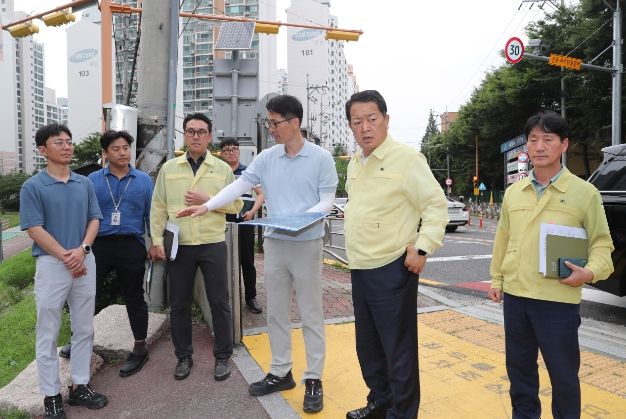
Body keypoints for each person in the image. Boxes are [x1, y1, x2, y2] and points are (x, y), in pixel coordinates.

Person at [176, 95, 338, 413]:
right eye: (268, 122)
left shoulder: (321, 158)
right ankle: (280, 371)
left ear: (294, 122)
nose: (271, 128)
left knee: (310, 313)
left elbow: (327, 200)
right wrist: (207, 205)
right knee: (275, 312)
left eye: (274, 122)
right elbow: (238, 188)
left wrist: (300, 219)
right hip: (275, 243)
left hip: (306, 242)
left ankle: (313, 378)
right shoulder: (267, 158)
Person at [488, 111, 614, 419]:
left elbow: (602, 243)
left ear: (564, 144)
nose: (539, 146)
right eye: (533, 140)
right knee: (520, 375)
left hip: (558, 301)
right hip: (516, 298)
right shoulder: (514, 192)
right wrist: (497, 280)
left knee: (564, 377)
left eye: (548, 139)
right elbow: (503, 238)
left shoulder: (585, 193)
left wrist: (590, 272)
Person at [343, 90, 448, 419]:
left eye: (372, 119)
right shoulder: (355, 163)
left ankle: (402, 413)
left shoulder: (407, 159)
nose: (365, 128)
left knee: (398, 351)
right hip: (360, 267)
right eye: (357, 122)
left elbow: (435, 206)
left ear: (386, 120)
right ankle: (380, 403)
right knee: (369, 347)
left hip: (392, 269)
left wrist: (422, 247)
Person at [20, 123, 107, 419]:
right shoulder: (33, 186)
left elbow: (94, 219)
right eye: (59, 142)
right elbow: (34, 228)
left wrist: (82, 250)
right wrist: (66, 256)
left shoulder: (85, 183)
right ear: (42, 150)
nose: (67, 146)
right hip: (52, 264)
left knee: (84, 326)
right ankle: (51, 396)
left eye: (69, 141)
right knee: (48, 330)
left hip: (84, 258)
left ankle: (80, 385)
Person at [150, 113, 242, 382]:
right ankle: (183, 356)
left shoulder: (222, 169)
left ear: (209, 136)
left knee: (219, 301)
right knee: (179, 303)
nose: (196, 136)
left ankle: (222, 356)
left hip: (212, 242)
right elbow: (158, 207)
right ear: (184, 135)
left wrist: (209, 200)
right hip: (180, 245)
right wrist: (157, 241)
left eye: (201, 132)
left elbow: (236, 205)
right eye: (191, 131)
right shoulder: (169, 168)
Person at [86, 130, 155, 377]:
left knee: (134, 296)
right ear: (106, 153)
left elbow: (151, 215)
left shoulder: (144, 181)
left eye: (126, 148)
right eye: (116, 149)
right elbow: (85, 215)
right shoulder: (92, 180)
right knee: (87, 295)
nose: (123, 153)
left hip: (131, 244)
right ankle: (79, 341)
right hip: (99, 245)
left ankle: (140, 348)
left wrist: (154, 243)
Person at [219, 138, 265, 314]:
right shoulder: (217, 172)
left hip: (245, 222)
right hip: (223, 223)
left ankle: (251, 297)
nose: (231, 152)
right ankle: (225, 298)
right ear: (221, 153)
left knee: (247, 261)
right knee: (223, 262)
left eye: (234, 149)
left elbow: (261, 194)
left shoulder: (248, 172)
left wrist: (252, 211)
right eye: (227, 149)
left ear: (239, 151)